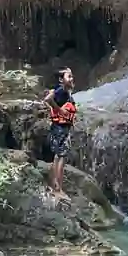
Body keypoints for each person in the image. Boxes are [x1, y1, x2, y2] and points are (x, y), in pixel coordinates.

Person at [43, 66, 78, 196]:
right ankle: (58, 189)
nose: (71, 78)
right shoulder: (61, 90)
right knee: (61, 157)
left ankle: (54, 185)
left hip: (59, 127)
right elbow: (48, 100)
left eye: (72, 76)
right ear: (61, 80)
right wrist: (59, 110)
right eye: (69, 76)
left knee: (57, 157)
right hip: (60, 129)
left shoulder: (64, 91)